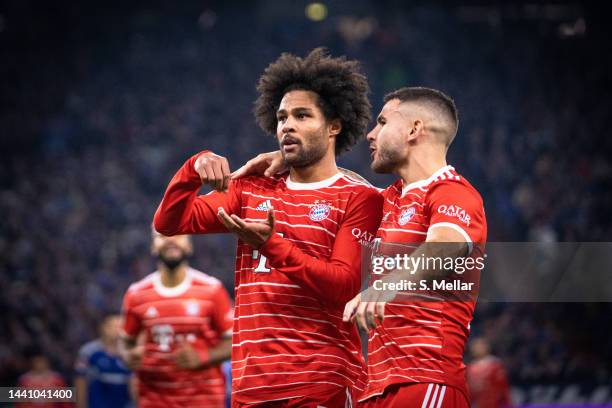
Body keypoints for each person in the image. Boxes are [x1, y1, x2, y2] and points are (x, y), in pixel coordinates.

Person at [153, 48, 382, 407]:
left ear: (334, 125)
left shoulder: (359, 198)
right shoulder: (251, 187)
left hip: (321, 381)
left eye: (302, 115)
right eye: (281, 117)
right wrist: (193, 167)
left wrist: (270, 244)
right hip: (251, 386)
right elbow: (170, 222)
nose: (287, 125)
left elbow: (343, 285)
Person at [237, 86, 487, 407]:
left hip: (425, 381)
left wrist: (384, 288)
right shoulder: (390, 200)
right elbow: (343, 188)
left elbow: (448, 246)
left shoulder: (452, 191)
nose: (371, 134)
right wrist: (296, 158)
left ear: (414, 130)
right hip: (377, 388)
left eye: (382, 123)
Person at [120, 231, 233, 408]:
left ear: (189, 245)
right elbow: (125, 341)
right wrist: (128, 356)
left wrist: (206, 356)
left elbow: (235, 340)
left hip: (203, 401)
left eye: (178, 234)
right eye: (163, 236)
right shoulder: (136, 294)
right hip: (154, 401)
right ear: (153, 246)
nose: (171, 239)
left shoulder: (212, 290)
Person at [74, 314, 132, 408]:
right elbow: (80, 380)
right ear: (104, 328)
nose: (117, 330)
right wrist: (81, 405)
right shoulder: (89, 351)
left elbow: (133, 384)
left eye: (120, 327)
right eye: (113, 326)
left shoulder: (129, 353)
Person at [467, 338, 512, 408]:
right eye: (475, 346)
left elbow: (503, 387)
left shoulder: (495, 364)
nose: (477, 349)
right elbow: (469, 391)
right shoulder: (470, 367)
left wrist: (508, 403)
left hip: (495, 403)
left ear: (487, 347)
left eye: (480, 346)